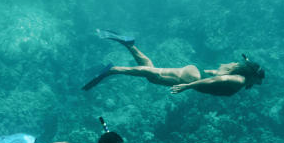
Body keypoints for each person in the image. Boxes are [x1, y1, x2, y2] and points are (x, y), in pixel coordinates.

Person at [82, 29, 266, 97]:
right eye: (257, 82)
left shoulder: (235, 70)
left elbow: (218, 74)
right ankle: (114, 69)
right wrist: (187, 86)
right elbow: (213, 82)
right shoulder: (239, 81)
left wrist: (249, 63)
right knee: (153, 74)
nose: (255, 85)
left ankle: (129, 44)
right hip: (194, 77)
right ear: (251, 76)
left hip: (196, 71)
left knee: (152, 73)